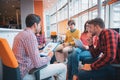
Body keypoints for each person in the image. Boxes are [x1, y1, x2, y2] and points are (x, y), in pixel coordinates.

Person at [12, 14, 67, 80]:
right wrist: (49, 56)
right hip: (27, 73)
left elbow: (26, 53)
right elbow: (38, 63)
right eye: (39, 24)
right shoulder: (30, 36)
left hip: (19, 71)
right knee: (63, 67)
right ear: (35, 25)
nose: (40, 27)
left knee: (47, 64)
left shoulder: (20, 34)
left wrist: (39, 52)